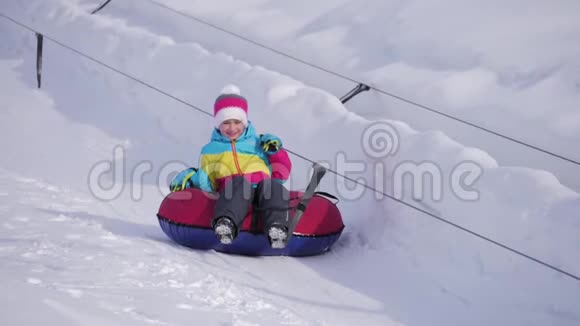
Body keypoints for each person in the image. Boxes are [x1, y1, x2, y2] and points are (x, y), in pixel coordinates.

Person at [190, 84, 293, 249]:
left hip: (262, 190)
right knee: (239, 182)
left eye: (237, 122)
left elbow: (283, 172)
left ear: (244, 122)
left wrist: (275, 151)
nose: (232, 128)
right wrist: (195, 177)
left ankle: (277, 228)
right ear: (217, 124)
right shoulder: (209, 151)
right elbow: (208, 184)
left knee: (272, 185)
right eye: (226, 123)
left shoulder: (258, 143)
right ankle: (226, 224)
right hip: (233, 192)